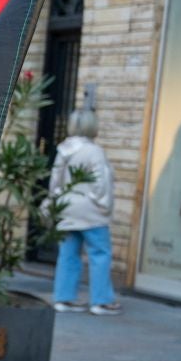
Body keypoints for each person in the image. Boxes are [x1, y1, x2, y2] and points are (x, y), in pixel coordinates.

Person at [49, 107, 118, 315]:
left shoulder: (63, 149)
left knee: (68, 254)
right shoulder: (94, 151)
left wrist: (57, 201)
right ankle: (100, 301)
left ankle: (63, 298)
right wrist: (104, 207)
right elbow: (101, 183)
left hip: (67, 208)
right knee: (100, 254)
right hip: (91, 211)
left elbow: (55, 181)